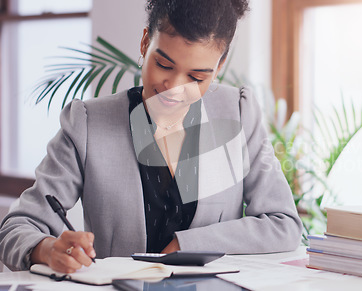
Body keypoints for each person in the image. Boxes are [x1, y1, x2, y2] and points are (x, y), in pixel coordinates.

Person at [0, 0, 302, 273]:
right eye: (164, 65)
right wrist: (46, 248)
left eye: (197, 77)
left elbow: (283, 223)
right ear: (145, 42)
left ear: (219, 66)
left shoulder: (238, 113)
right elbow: (16, 227)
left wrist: (189, 244)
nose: (174, 88)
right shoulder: (87, 123)